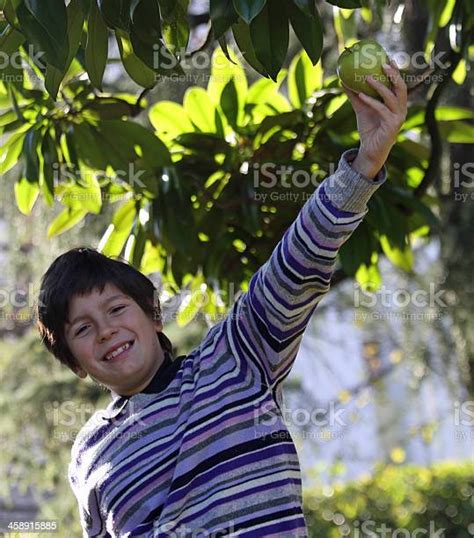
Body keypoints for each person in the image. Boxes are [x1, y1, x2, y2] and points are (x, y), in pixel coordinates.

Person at [36, 61, 407, 537]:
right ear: (74, 360)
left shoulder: (233, 360)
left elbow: (295, 265)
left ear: (152, 315)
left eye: (116, 309)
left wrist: (364, 166)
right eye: (83, 328)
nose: (106, 330)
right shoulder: (88, 454)